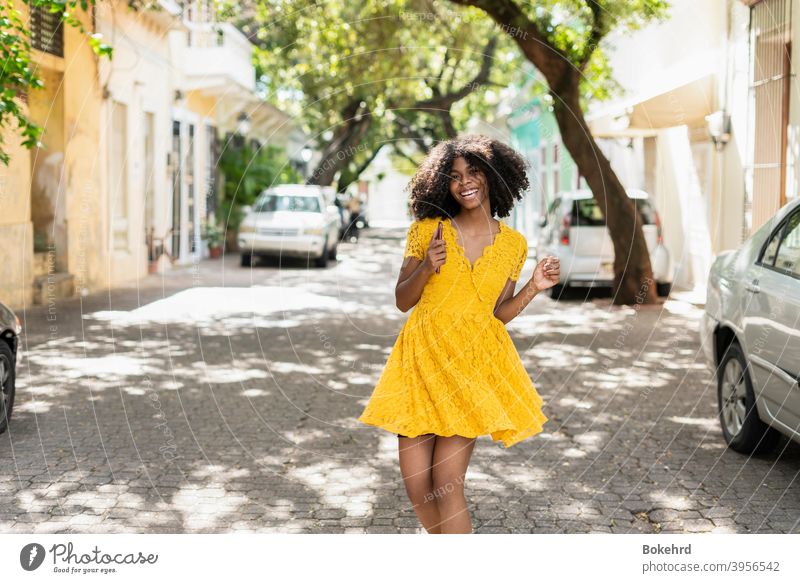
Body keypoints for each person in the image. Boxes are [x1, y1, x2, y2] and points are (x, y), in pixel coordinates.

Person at [357, 134, 560, 534]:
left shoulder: (513, 245)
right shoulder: (427, 231)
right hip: (419, 364)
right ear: (442, 184)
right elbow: (402, 300)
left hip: (469, 368)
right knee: (417, 488)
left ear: (493, 177)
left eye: (474, 172)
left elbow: (497, 315)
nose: (464, 181)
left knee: (446, 489)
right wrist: (427, 267)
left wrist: (533, 287)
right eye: (453, 176)